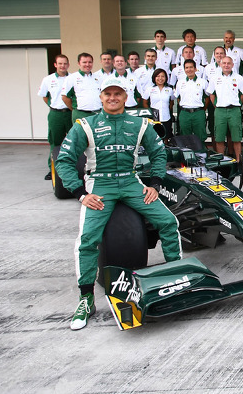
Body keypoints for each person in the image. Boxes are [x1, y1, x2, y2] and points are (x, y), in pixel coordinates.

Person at [55, 76, 182, 330]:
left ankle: (177, 278)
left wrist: (155, 184)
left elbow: (159, 153)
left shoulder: (140, 125)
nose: (112, 98)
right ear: (100, 97)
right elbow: (64, 160)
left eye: (117, 94)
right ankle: (86, 298)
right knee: (88, 239)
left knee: (169, 221)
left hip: (131, 182)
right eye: (107, 94)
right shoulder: (85, 125)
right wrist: (81, 193)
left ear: (126, 97)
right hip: (99, 187)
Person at [38, 53, 72, 179]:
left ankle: (73, 167)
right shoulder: (48, 79)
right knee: (55, 142)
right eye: (60, 63)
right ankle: (52, 169)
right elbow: (45, 97)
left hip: (70, 113)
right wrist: (54, 106)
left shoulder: (73, 78)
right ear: (55, 65)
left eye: (65, 63)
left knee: (74, 141)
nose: (63, 66)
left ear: (68, 65)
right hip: (56, 114)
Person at [207, 56, 243, 159]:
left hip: (234, 110)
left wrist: (238, 105)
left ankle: (238, 161)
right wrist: (217, 106)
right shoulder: (214, 78)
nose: (226, 65)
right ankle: (222, 161)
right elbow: (211, 94)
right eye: (224, 63)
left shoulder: (239, 78)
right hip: (220, 110)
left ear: (232, 65)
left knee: (236, 138)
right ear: (220, 64)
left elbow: (242, 94)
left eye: (229, 63)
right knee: (219, 138)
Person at [175, 59, 208, 144]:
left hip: (198, 113)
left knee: (200, 136)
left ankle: (201, 155)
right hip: (184, 113)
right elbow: (178, 97)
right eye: (186, 68)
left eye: (191, 67)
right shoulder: (180, 82)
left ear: (195, 69)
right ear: (184, 69)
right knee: (185, 137)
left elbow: (207, 97)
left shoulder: (203, 82)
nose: (189, 70)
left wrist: (203, 109)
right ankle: (187, 156)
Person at [62, 53, 102, 122]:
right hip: (80, 114)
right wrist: (75, 109)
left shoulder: (98, 77)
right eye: (84, 62)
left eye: (90, 62)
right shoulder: (72, 78)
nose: (87, 64)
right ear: (79, 63)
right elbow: (65, 97)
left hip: (97, 114)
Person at [142, 68, 175, 138]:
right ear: (154, 78)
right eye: (158, 76)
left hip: (166, 117)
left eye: (162, 76)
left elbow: (171, 102)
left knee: (166, 137)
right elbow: (145, 102)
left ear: (166, 78)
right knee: (155, 138)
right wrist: (150, 113)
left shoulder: (169, 89)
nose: (160, 78)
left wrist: (168, 110)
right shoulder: (150, 89)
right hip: (154, 118)